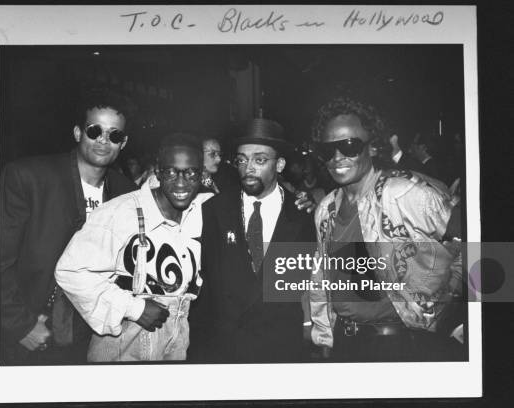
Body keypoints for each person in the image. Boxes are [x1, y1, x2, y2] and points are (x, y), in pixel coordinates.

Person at [304, 97, 464, 362]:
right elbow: (322, 277)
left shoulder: (406, 192)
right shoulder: (326, 208)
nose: (336, 157)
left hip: (401, 344)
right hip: (346, 345)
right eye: (327, 150)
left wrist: (447, 304)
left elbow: (479, 244)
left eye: (349, 146)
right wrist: (323, 336)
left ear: (373, 147)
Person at [0, 90, 137, 365]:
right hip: (33, 327)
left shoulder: (127, 194)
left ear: (123, 143)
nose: (103, 141)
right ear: (77, 133)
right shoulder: (29, 177)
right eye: (94, 130)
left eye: (114, 135)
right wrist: (20, 325)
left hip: (94, 335)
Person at [55, 133, 213, 361]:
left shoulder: (198, 212)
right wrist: (133, 308)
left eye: (191, 173)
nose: (181, 183)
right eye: (170, 172)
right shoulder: (120, 213)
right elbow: (71, 271)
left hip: (177, 341)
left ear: (202, 175)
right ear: (157, 171)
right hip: (124, 344)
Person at [189, 118, 316, 363]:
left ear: (279, 165)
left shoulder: (301, 214)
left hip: (280, 350)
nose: (248, 168)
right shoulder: (214, 210)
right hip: (224, 350)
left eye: (259, 160)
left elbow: (300, 286)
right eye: (242, 159)